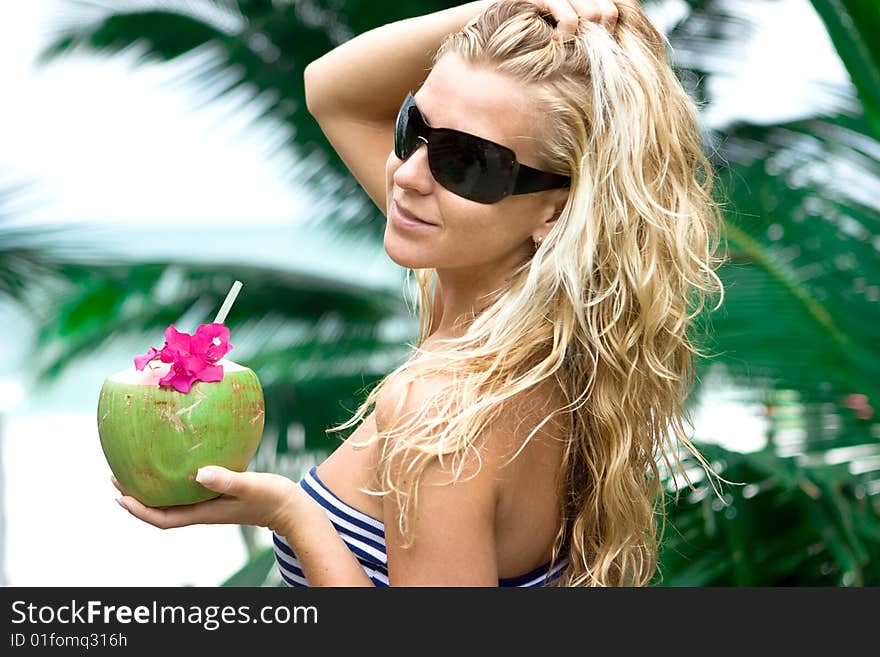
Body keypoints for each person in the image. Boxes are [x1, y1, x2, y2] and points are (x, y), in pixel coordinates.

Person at [114, 0, 728, 587]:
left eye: (467, 162)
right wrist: (512, 11)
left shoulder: (443, 410)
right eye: (414, 126)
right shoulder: (551, 333)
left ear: (556, 208)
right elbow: (331, 89)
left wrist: (290, 514)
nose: (407, 173)